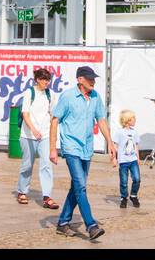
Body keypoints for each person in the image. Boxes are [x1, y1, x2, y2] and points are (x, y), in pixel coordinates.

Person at [49, 64, 116, 241]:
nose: (93, 81)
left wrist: (110, 142)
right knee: (81, 185)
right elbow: (55, 120)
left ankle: (63, 223)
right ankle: (91, 225)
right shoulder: (68, 97)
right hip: (71, 147)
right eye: (90, 78)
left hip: (87, 148)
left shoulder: (95, 97)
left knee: (77, 187)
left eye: (94, 78)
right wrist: (52, 149)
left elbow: (101, 120)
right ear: (80, 80)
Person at [16, 67, 58, 209]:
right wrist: (33, 130)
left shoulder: (50, 94)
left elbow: (53, 115)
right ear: (37, 80)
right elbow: (25, 114)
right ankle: (22, 191)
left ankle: (47, 196)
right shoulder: (29, 93)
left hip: (45, 134)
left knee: (46, 164)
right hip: (28, 135)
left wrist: (53, 136)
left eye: (48, 80)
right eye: (44, 80)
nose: (47, 83)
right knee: (27, 164)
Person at [113, 108, 141, 208]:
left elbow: (136, 145)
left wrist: (138, 158)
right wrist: (114, 158)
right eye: (133, 118)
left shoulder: (135, 132)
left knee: (137, 179)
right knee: (124, 182)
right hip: (123, 161)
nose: (135, 120)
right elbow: (115, 146)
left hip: (133, 160)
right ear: (127, 120)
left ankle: (133, 195)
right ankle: (123, 198)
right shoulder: (119, 132)